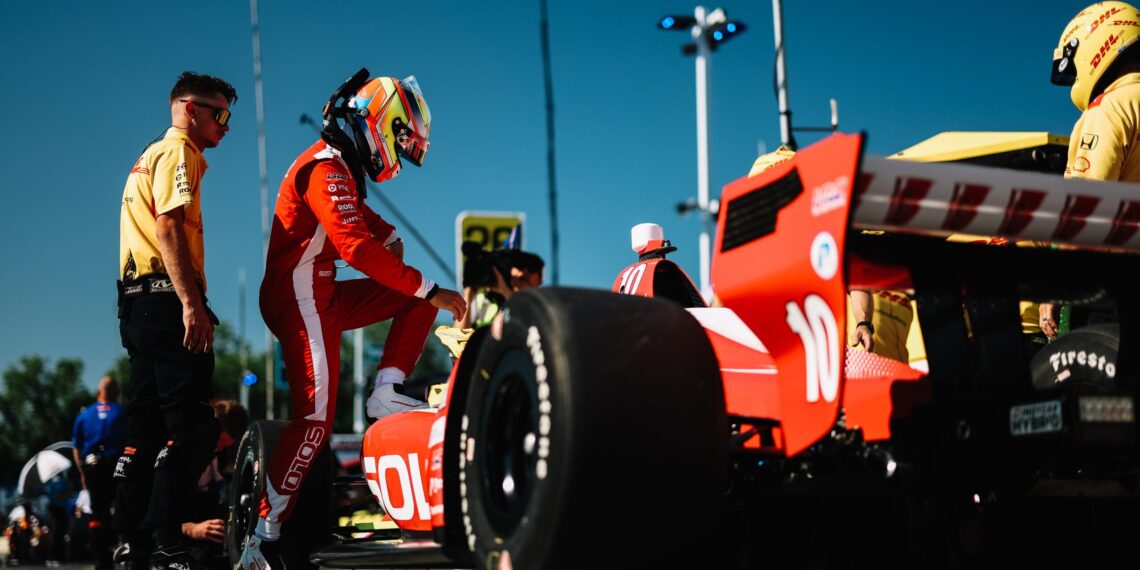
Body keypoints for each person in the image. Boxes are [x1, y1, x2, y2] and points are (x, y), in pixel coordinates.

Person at [242, 69, 465, 570]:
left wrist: (416, 284)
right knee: (316, 422)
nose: (400, 157)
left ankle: (387, 390)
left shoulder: (343, 172)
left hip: (322, 293)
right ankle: (262, 536)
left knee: (416, 298)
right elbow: (356, 246)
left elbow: (381, 241)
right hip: (296, 297)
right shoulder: (325, 168)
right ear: (384, 125)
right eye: (402, 142)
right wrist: (431, 286)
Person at [114, 71, 236, 570]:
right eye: (220, 113)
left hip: (135, 302)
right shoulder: (178, 152)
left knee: (142, 429)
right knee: (192, 428)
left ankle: (131, 544)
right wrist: (191, 302)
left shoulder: (147, 157)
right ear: (189, 109)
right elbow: (168, 225)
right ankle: (166, 539)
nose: (226, 125)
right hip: (166, 300)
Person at [1042, 1, 1140, 336]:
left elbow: (1084, 209)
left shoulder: (1111, 107)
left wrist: (1054, 289)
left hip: (1116, 289)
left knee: (1097, 386)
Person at [72, 376, 127, 570]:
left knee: (97, 512)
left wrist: (82, 472)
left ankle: (100, 557)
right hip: (116, 466)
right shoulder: (122, 412)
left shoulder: (84, 415)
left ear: (98, 393)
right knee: (121, 507)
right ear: (116, 393)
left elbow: (76, 446)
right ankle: (120, 546)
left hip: (93, 468)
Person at [458, 240, 545, 329]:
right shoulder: (481, 300)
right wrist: (468, 296)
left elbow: (528, 329)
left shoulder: (532, 307)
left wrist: (505, 291)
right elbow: (457, 338)